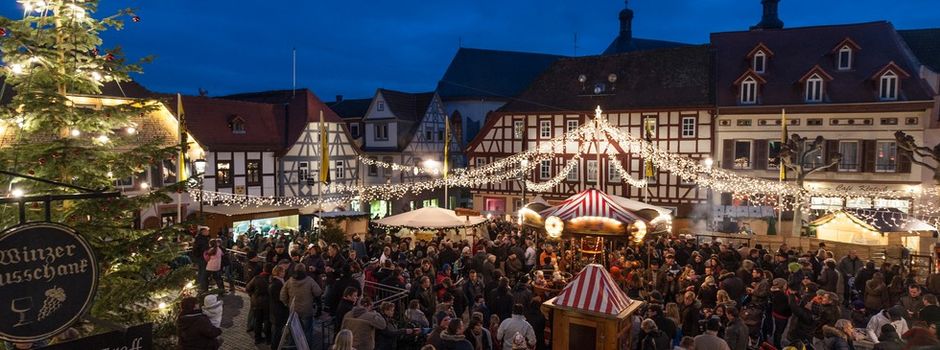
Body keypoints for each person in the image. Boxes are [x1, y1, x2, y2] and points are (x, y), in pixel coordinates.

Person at [280, 263, 323, 347]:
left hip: (294, 310)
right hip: (306, 310)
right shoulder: (309, 280)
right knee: (307, 331)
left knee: (293, 331)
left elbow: (282, 295)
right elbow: (318, 292)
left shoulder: (290, 281)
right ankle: (306, 347)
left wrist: (287, 303)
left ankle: (292, 347)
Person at [246, 263, 272, 344]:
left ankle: (257, 338)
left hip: (256, 302)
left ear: (264, 269)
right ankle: (268, 339)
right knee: (267, 321)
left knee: (258, 321)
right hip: (267, 303)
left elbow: (248, 288)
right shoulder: (272, 279)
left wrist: (252, 295)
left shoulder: (257, 278)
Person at [269, 264, 289, 350]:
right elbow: (280, 298)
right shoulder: (278, 284)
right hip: (278, 311)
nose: (284, 273)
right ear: (278, 273)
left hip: (275, 309)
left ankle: (276, 346)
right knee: (277, 330)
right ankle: (275, 347)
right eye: (283, 271)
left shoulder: (277, 281)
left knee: (276, 330)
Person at [193, 227, 211, 292]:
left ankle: (201, 286)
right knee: (203, 273)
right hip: (203, 258)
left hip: (201, 257)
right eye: (207, 231)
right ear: (203, 232)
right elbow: (203, 249)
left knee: (201, 272)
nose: (208, 232)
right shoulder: (202, 239)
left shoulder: (200, 238)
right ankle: (203, 288)